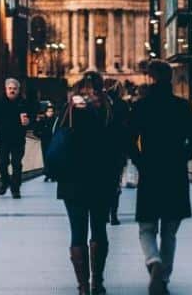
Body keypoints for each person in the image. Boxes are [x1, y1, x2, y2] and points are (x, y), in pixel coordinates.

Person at [130, 60, 192, 295]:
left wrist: (140, 160)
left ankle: (154, 262)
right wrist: (181, 157)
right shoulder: (182, 107)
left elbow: (127, 139)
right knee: (169, 232)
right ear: (170, 79)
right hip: (175, 173)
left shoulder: (141, 107)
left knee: (146, 228)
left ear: (151, 79)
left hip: (150, 172)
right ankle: (164, 277)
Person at [57, 72, 125, 294]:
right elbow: (118, 148)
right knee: (99, 230)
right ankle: (98, 283)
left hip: (72, 180)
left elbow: (56, 141)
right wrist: (116, 178)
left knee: (77, 233)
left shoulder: (69, 111)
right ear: (101, 88)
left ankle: (83, 287)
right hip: (101, 180)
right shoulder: (109, 110)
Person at [0, 77, 33, 198]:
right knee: (2, 162)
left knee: (17, 163)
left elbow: (32, 118)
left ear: (18, 90)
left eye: (14, 89)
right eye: (10, 88)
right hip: (2, 139)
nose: (12, 91)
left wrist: (28, 122)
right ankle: (5, 181)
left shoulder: (24, 102)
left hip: (18, 139)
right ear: (6, 89)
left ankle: (15, 189)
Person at [106, 79, 131, 225]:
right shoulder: (123, 105)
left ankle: (103, 213)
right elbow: (128, 128)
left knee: (102, 183)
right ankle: (113, 215)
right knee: (115, 183)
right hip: (118, 150)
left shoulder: (100, 104)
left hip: (101, 150)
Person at [34, 103, 59, 182]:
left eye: (51, 111)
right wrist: (41, 136)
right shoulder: (42, 121)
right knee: (46, 157)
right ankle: (48, 174)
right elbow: (35, 131)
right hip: (45, 141)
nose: (50, 113)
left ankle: (52, 174)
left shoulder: (56, 121)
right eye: (48, 111)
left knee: (53, 158)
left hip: (53, 142)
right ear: (45, 112)